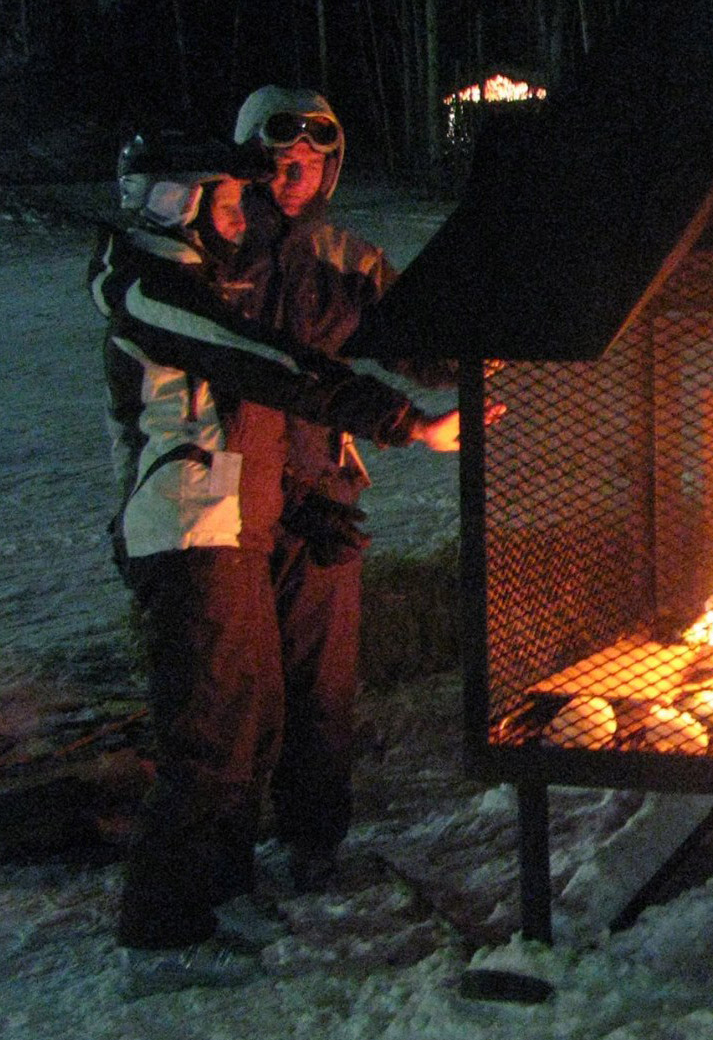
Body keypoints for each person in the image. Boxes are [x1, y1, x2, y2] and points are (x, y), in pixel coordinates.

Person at [92, 128, 460, 992]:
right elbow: (269, 364)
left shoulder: (189, 282)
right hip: (185, 532)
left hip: (230, 527)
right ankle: (158, 935)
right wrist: (402, 421)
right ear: (176, 205)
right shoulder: (151, 290)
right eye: (222, 199)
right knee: (209, 734)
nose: (236, 212)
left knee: (248, 722)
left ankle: (218, 893)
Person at [230, 85, 461, 892]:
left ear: (331, 168)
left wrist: (490, 344)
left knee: (321, 687)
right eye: (281, 157)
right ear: (250, 158)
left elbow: (419, 337)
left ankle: (311, 845)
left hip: (321, 497)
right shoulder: (211, 251)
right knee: (235, 688)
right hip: (224, 500)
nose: (296, 171)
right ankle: (222, 856)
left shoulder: (344, 259)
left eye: (313, 159)